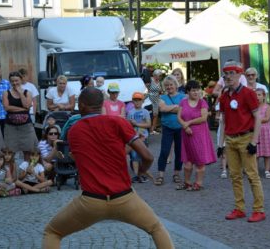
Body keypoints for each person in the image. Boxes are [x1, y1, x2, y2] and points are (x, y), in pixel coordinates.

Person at [42, 87, 174, 249]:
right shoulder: (118, 122)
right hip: (124, 197)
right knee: (156, 228)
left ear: (82, 105)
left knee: (52, 232)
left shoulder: (74, 131)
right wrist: (140, 172)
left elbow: (78, 159)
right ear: (101, 104)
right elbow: (148, 156)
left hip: (91, 201)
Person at [219, 60, 265, 223]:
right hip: (231, 139)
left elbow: (258, 117)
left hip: (246, 138)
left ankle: (259, 210)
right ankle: (239, 208)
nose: (228, 76)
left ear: (239, 74)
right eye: (226, 73)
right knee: (235, 176)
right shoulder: (224, 97)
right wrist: (220, 144)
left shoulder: (248, 93)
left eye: (232, 73)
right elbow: (223, 120)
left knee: (252, 175)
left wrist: (253, 141)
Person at [176, 80, 216, 191]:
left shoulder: (202, 102)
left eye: (197, 90)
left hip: (199, 135)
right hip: (186, 134)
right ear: (188, 91)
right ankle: (187, 182)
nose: (196, 92)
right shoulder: (183, 102)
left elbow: (203, 118)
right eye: (193, 90)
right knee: (187, 162)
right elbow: (179, 117)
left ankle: (198, 183)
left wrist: (189, 123)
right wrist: (185, 126)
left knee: (199, 160)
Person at [154, 75, 185, 186]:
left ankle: (176, 174)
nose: (169, 87)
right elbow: (162, 108)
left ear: (176, 85)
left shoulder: (183, 97)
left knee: (179, 152)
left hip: (180, 127)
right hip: (167, 128)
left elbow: (184, 111)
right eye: (166, 85)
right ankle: (160, 175)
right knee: (164, 151)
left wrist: (170, 108)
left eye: (171, 84)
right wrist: (176, 107)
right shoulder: (162, 97)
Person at [2, 71, 38, 155]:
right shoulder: (6, 93)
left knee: (28, 150)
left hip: (26, 126)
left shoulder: (27, 92)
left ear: (21, 80)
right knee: (10, 151)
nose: (14, 83)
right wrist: (22, 109)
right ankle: (13, 168)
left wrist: (21, 93)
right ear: (10, 82)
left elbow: (27, 106)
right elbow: (6, 107)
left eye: (16, 80)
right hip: (10, 127)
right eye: (12, 81)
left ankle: (26, 168)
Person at [127, 92, 151, 183]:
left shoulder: (145, 112)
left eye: (139, 100)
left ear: (142, 101)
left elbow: (148, 124)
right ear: (133, 101)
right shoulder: (130, 112)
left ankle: (142, 174)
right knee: (134, 157)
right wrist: (131, 124)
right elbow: (128, 126)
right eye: (135, 100)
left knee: (143, 156)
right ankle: (137, 175)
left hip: (143, 137)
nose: (137, 102)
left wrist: (137, 124)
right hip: (133, 137)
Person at [255, 88, 270, 179]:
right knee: (255, 153)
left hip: (265, 131)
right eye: (256, 95)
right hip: (255, 132)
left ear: (263, 96)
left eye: (259, 95)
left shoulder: (267, 106)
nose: (257, 97)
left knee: (267, 152)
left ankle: (267, 170)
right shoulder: (253, 107)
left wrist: (256, 120)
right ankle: (255, 171)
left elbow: (267, 118)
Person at [149, 69, 163, 134]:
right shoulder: (151, 80)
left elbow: (160, 90)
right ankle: (150, 128)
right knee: (152, 114)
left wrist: (161, 91)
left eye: (160, 76)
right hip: (150, 99)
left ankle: (153, 129)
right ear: (155, 75)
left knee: (156, 114)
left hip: (157, 99)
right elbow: (147, 89)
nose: (160, 77)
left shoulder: (159, 82)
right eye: (159, 75)